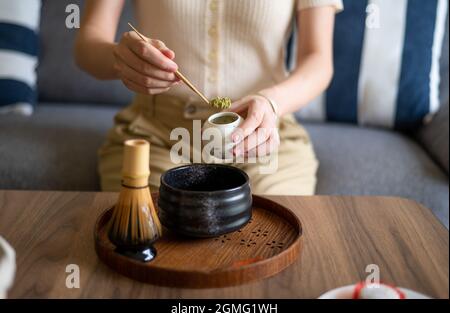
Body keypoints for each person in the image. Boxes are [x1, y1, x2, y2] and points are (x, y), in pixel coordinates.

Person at [75, 0, 343, 194]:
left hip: (265, 139)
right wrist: (119, 59)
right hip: (157, 137)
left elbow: (318, 60)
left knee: (274, 239)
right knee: (149, 238)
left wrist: (272, 102)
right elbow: (88, 44)